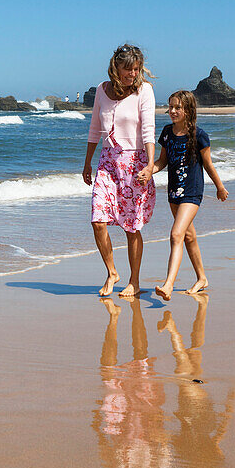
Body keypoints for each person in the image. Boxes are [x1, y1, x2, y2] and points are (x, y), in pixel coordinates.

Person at [83, 44, 157, 297]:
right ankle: (112, 272)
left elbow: (148, 129)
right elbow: (94, 128)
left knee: (131, 226)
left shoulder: (144, 91)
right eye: (128, 69)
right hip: (107, 162)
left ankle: (134, 282)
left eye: (136, 69)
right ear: (116, 67)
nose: (132, 74)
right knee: (97, 220)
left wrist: (149, 164)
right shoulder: (102, 90)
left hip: (134, 163)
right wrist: (87, 163)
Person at [148, 90, 228, 300]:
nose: (172, 111)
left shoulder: (199, 136)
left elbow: (208, 165)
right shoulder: (167, 133)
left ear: (188, 110)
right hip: (173, 191)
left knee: (176, 235)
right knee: (189, 236)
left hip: (192, 191)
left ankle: (168, 285)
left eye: (177, 107)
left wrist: (220, 187)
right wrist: (149, 171)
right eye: (171, 107)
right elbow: (162, 162)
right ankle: (202, 278)